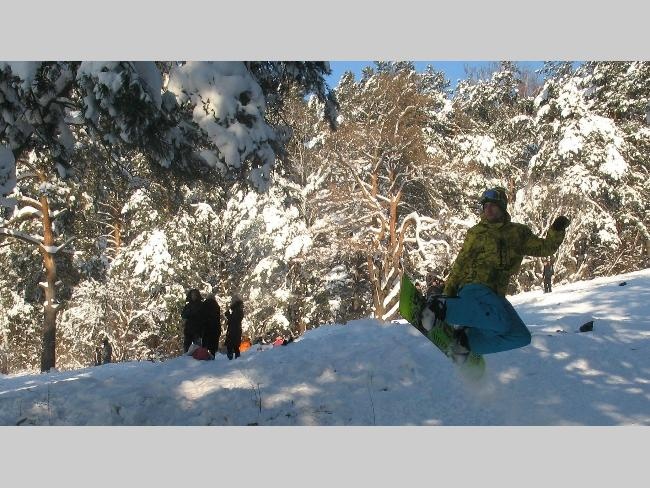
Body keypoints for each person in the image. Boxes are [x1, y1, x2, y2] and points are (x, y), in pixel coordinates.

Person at [421, 186, 570, 362]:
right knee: (501, 323)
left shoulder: (517, 233)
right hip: (474, 287)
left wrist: (557, 230)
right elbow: (460, 263)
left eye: (492, 205)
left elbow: (544, 248)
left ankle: (466, 342)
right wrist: (447, 295)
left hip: (495, 294)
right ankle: (441, 307)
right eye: (485, 206)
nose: (488, 209)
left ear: (502, 207)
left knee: (520, 336)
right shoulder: (476, 233)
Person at [181, 289, 204, 353]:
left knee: (198, 349)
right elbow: (183, 315)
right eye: (192, 295)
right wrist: (189, 313)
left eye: (195, 295)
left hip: (198, 330)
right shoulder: (188, 305)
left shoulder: (201, 305)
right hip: (188, 330)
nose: (194, 296)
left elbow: (204, 316)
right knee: (186, 349)